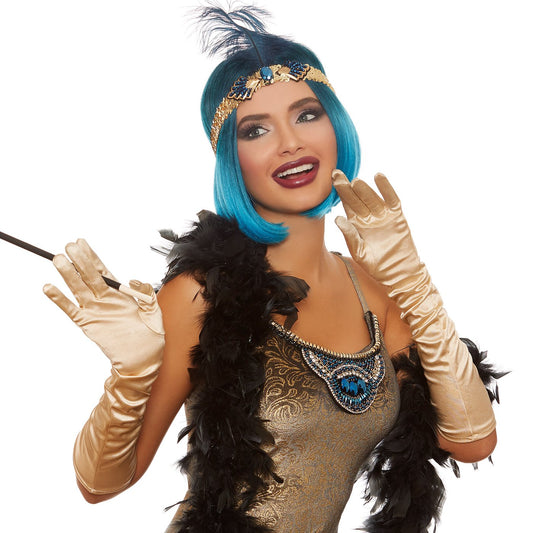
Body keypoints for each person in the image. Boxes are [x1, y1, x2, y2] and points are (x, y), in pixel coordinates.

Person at [42, 5, 501, 532]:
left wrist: (413, 282)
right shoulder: (200, 294)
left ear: (336, 127)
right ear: (231, 160)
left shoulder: (375, 293)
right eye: (255, 130)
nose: (290, 143)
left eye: (306, 115)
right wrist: (130, 378)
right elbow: (100, 486)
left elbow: (471, 441)